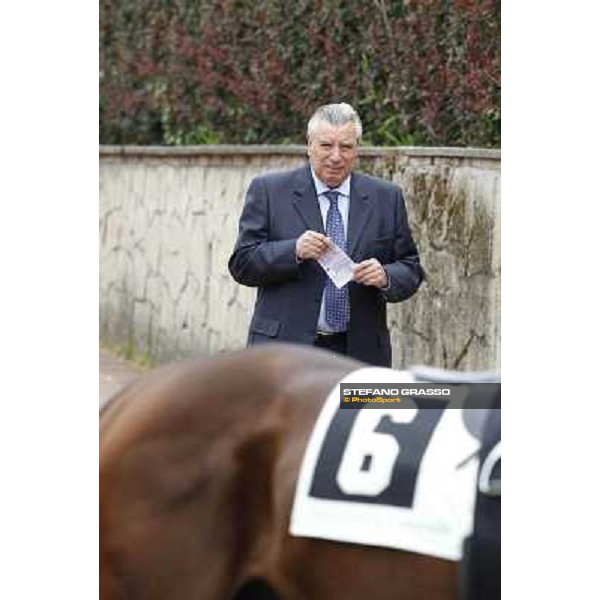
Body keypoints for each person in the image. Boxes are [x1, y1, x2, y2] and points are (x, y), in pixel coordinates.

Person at [228, 102, 423, 367]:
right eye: (326, 145)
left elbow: (410, 268)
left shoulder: (386, 197)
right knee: (295, 412)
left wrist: (386, 276)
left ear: (357, 151)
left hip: (361, 353)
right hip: (285, 350)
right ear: (309, 145)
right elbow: (242, 264)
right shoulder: (269, 191)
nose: (336, 156)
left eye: (346, 147)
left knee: (355, 410)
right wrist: (293, 250)